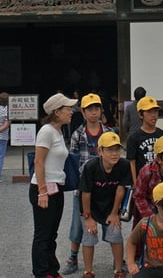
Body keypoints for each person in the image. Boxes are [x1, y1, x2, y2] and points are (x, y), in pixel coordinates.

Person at [62, 93, 115, 275]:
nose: (94, 112)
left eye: (96, 108)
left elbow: (116, 158)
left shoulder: (109, 133)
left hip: (107, 187)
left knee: (112, 224)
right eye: (89, 109)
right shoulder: (78, 134)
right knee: (78, 225)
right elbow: (73, 161)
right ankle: (73, 256)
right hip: (83, 188)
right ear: (83, 112)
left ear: (101, 110)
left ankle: (119, 260)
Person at [30, 92, 76, 278]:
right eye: (68, 108)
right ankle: (41, 272)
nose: (71, 111)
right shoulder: (46, 131)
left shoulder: (58, 131)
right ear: (57, 112)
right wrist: (42, 192)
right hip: (43, 188)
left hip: (56, 187)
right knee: (43, 234)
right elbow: (38, 162)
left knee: (52, 233)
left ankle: (51, 268)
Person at [78, 131, 132, 278]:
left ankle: (119, 270)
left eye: (117, 149)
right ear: (100, 151)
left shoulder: (124, 165)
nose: (114, 154)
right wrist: (88, 217)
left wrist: (114, 213)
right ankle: (88, 271)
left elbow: (121, 189)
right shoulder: (91, 166)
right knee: (89, 235)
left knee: (115, 234)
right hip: (91, 206)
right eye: (109, 150)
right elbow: (85, 193)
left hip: (111, 206)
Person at [126, 96, 163, 184]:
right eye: (149, 112)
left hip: (161, 180)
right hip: (143, 180)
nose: (153, 115)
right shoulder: (134, 137)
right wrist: (135, 182)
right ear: (141, 115)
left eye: (156, 111)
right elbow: (132, 162)